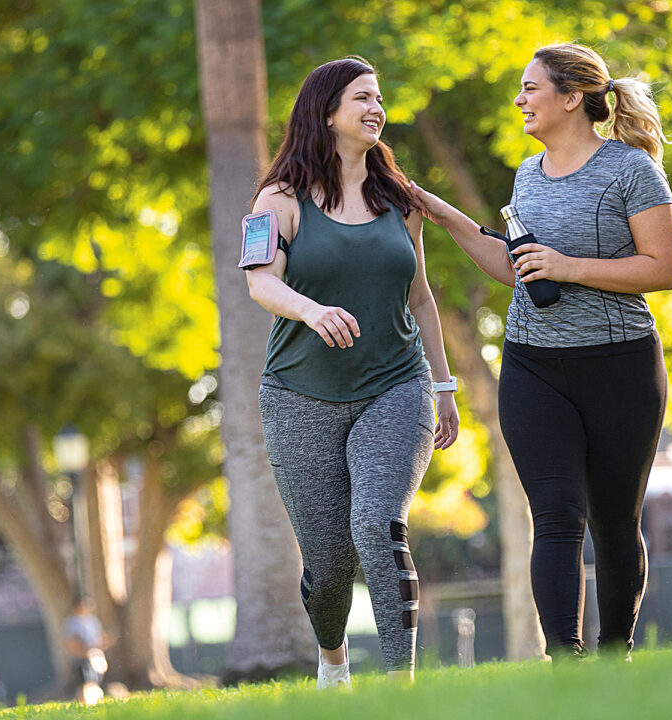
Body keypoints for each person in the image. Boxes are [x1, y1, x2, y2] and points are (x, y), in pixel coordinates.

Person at [411, 43, 672, 660]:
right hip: (533, 366)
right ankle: (566, 662)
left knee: (614, 522)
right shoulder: (528, 174)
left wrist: (569, 266)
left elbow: (663, 268)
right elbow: (520, 270)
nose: (519, 100)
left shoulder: (631, 170)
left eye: (531, 88)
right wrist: (447, 217)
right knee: (556, 515)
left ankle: (614, 656)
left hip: (619, 365)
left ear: (572, 97)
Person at [244, 56, 460, 687]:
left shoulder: (400, 200)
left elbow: (421, 297)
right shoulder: (277, 200)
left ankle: (400, 685)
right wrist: (311, 311)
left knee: (377, 525)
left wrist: (443, 385)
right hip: (298, 396)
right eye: (362, 97)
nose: (377, 108)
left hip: (397, 385)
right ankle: (333, 659)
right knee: (330, 560)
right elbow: (260, 282)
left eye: (378, 97)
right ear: (327, 113)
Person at [63, 595, 113, 703]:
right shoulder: (72, 622)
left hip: (95, 655)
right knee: (85, 682)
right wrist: (84, 651)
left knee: (95, 680)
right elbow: (72, 642)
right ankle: (84, 702)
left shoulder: (93, 621)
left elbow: (99, 637)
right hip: (81, 657)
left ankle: (94, 701)